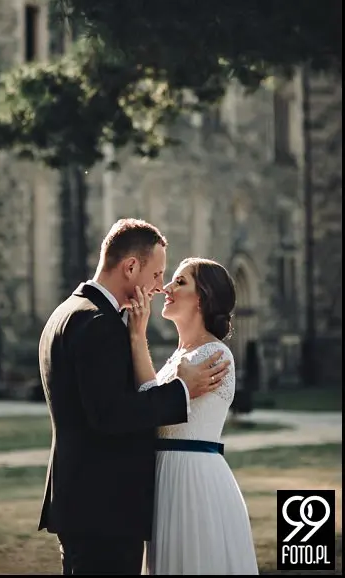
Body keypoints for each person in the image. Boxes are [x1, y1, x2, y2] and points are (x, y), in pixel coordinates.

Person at [38, 218, 230, 575]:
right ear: (130, 267)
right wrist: (182, 390)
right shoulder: (100, 323)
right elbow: (111, 415)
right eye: (156, 275)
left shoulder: (66, 312)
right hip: (105, 508)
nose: (159, 286)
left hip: (83, 503)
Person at [125, 258, 258, 574]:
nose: (167, 288)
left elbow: (157, 409)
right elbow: (153, 400)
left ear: (202, 298)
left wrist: (137, 335)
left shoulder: (214, 354)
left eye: (180, 282)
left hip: (192, 480)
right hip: (165, 476)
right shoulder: (180, 357)